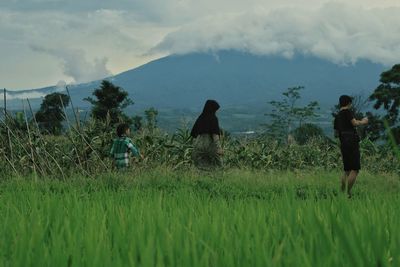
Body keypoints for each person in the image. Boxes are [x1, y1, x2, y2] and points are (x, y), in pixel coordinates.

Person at [334, 95, 368, 197]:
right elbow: (354, 123)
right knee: (355, 169)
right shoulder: (347, 112)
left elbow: (336, 133)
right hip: (351, 142)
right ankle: (347, 193)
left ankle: (342, 191)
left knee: (347, 170)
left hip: (343, 142)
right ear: (349, 103)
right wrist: (363, 121)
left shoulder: (337, 116)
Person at [190, 100, 223, 169]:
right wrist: (219, 148)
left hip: (198, 145)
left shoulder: (200, 118)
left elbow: (193, 134)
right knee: (218, 165)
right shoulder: (213, 118)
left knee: (200, 167)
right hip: (209, 145)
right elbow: (215, 135)